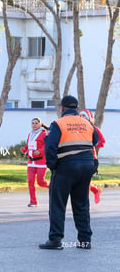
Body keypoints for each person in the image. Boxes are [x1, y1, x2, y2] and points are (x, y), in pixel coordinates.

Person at [39, 95, 98, 250]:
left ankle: (56, 240)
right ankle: (84, 241)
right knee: (81, 204)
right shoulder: (87, 123)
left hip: (66, 166)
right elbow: (95, 140)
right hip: (86, 166)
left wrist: (53, 166)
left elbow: (50, 147)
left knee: (58, 203)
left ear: (63, 108)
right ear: (76, 108)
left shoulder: (58, 124)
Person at [20, 117, 49, 207]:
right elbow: (29, 145)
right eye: (33, 123)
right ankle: (33, 201)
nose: (34, 125)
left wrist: (40, 151)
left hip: (41, 162)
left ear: (40, 124)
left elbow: (47, 146)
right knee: (30, 181)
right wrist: (24, 149)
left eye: (36, 123)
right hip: (31, 162)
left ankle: (53, 186)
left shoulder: (44, 134)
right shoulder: (30, 134)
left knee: (41, 182)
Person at [79, 109, 105, 204]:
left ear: (89, 118)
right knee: (80, 181)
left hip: (90, 158)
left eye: (84, 116)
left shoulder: (94, 129)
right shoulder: (76, 129)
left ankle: (84, 204)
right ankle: (95, 190)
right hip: (78, 158)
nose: (81, 117)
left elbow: (102, 142)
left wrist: (91, 143)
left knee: (84, 181)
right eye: (80, 115)